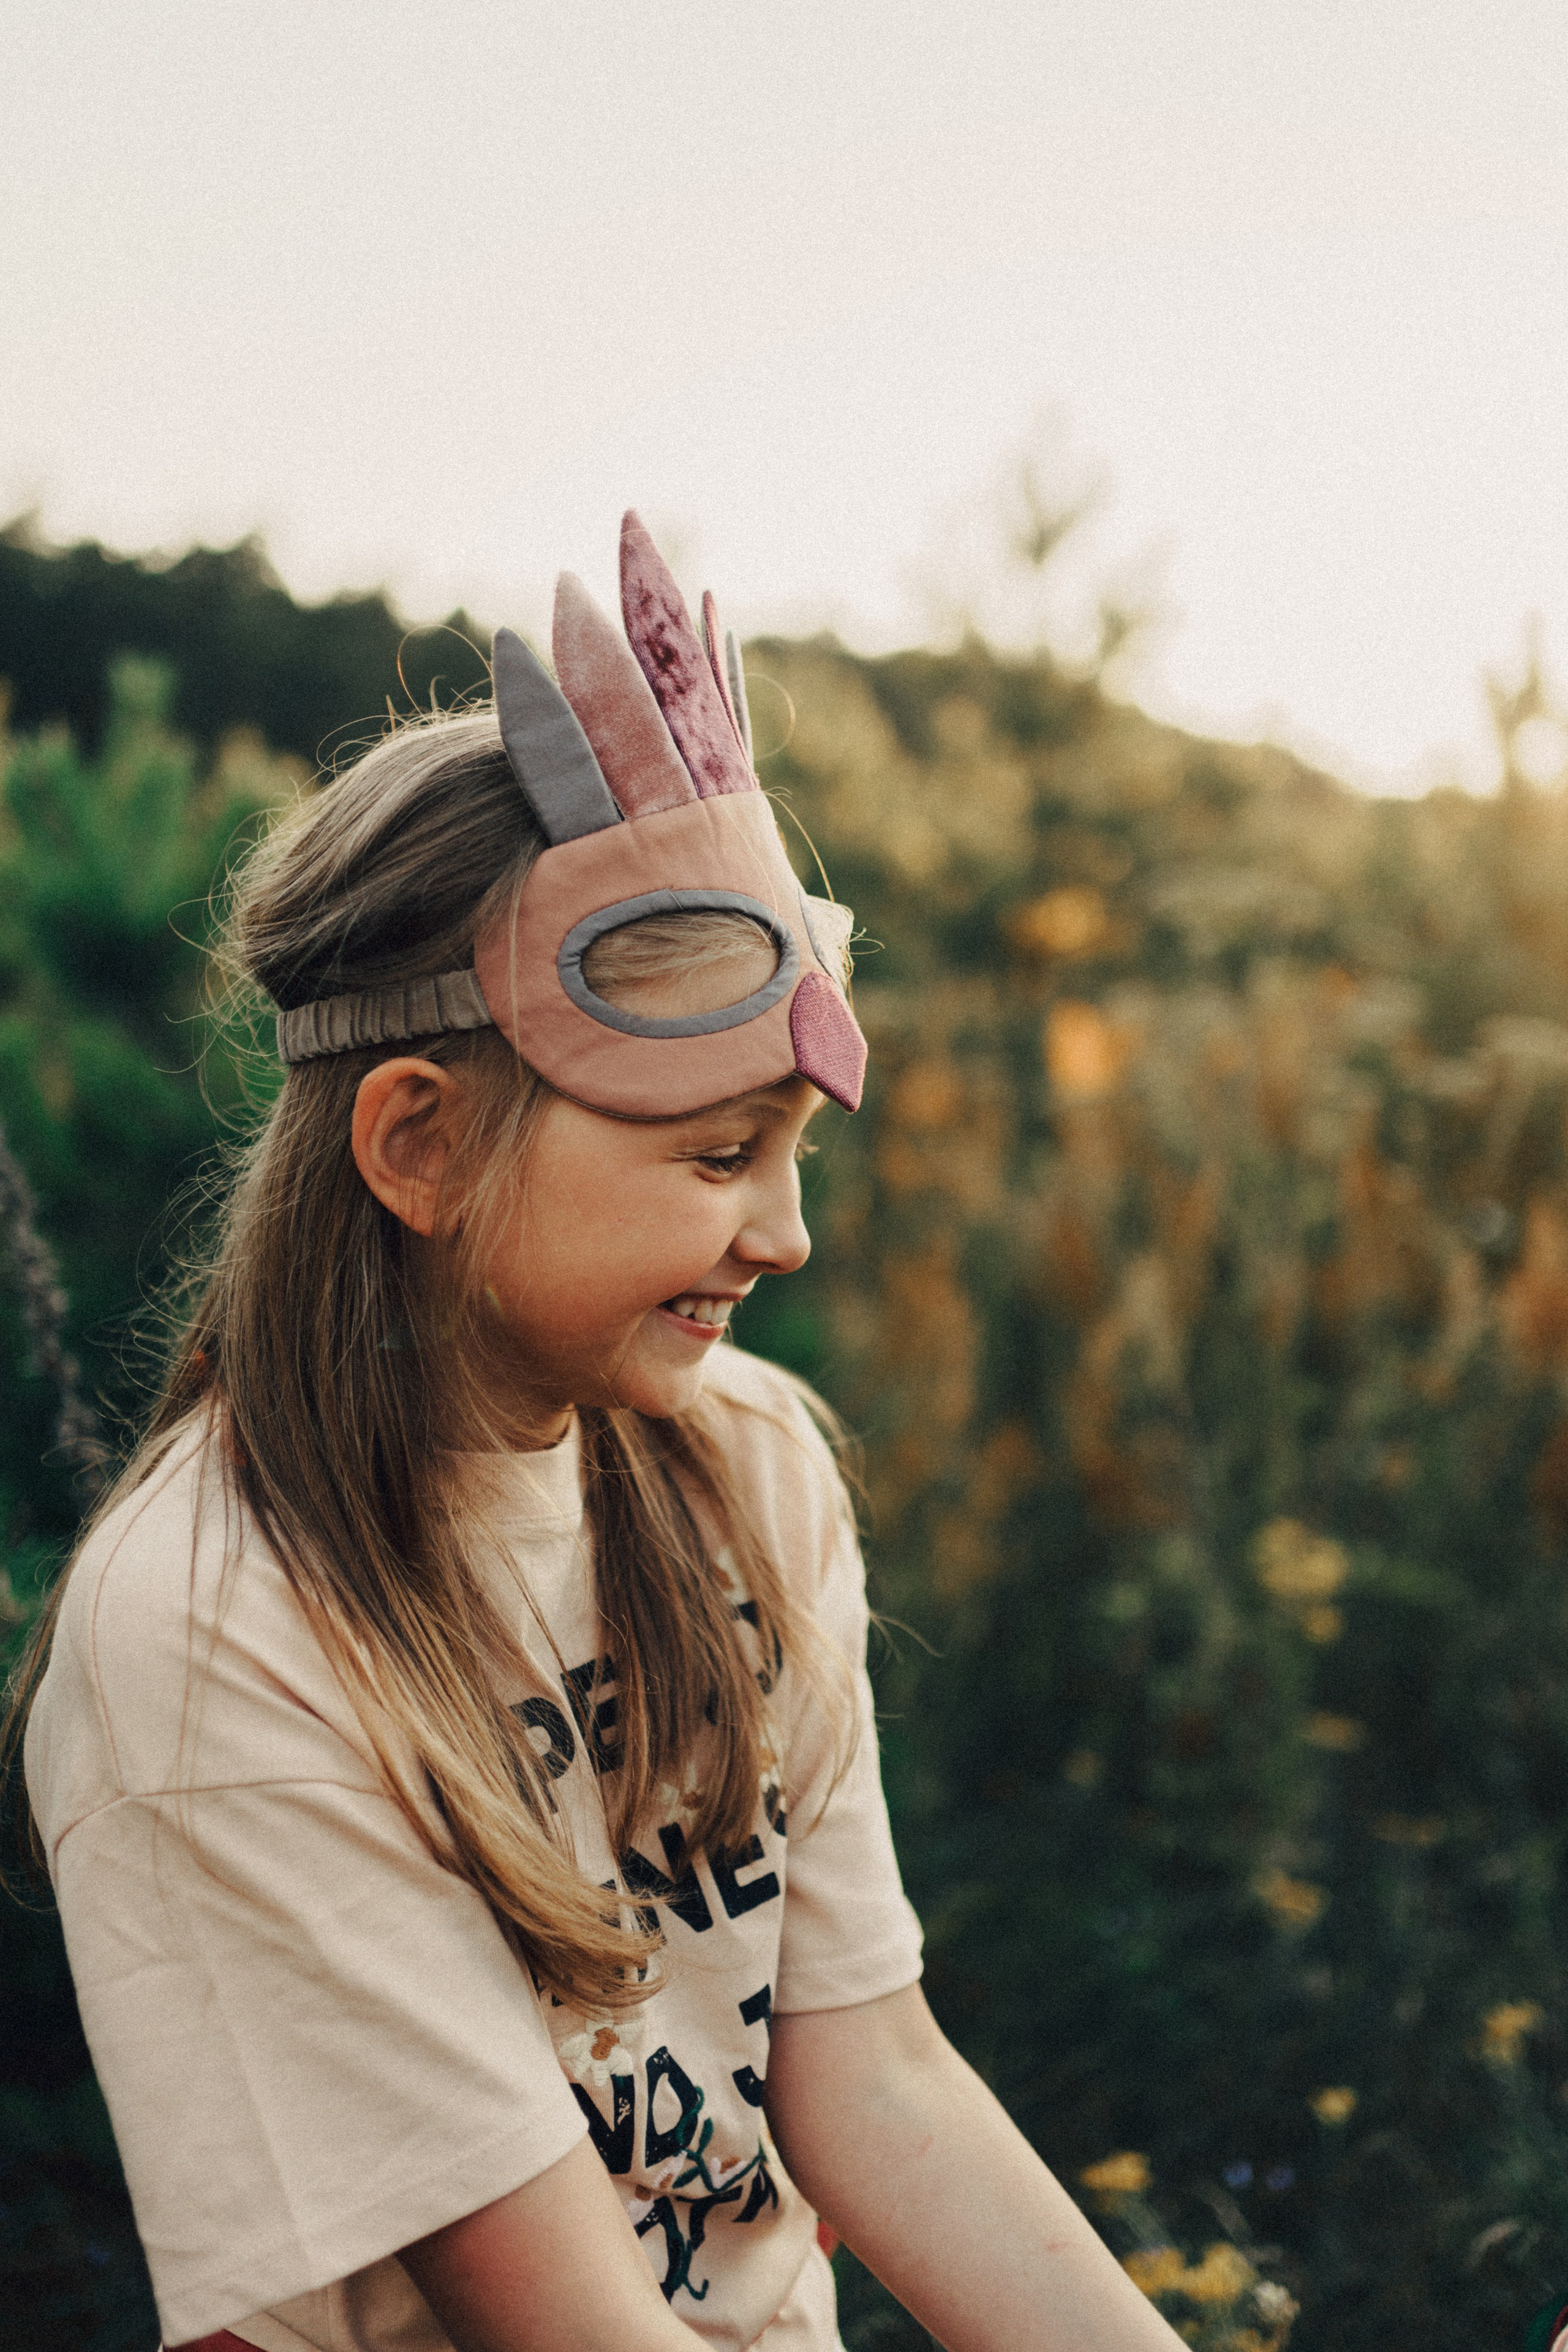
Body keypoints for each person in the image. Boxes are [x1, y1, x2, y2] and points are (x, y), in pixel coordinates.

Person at [10, 514, 1183, 2352]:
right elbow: (556, 2319)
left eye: (794, 1153)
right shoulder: (214, 1641)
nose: (787, 1234)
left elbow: (873, 2081)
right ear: (418, 1144)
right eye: (717, 1155)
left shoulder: (748, 1463)